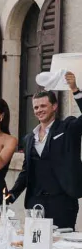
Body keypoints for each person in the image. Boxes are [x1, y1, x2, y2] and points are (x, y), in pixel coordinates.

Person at [7, 74, 82, 228]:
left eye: (43, 106)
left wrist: (75, 90)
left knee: (62, 242)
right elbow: (26, 172)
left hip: (62, 203)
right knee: (35, 241)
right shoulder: (29, 138)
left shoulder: (67, 128)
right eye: (36, 107)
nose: (39, 110)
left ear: (54, 107)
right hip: (35, 203)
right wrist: (10, 196)